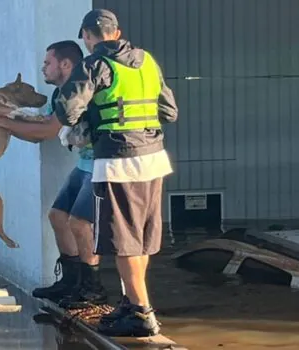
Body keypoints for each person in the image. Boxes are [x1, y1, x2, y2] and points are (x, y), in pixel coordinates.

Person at [52, 9, 178, 337]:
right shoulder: (147, 61)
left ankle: (141, 313)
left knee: (124, 242)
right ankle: (131, 301)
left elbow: (67, 111)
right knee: (140, 239)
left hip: (119, 163)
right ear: (117, 31)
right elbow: (169, 111)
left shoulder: (94, 64)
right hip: (154, 160)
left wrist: (90, 121)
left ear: (88, 36)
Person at [0, 40, 107, 308]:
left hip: (102, 164)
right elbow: (37, 126)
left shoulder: (80, 90)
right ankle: (70, 282)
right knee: (58, 217)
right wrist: (0, 117)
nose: (43, 68)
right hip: (84, 163)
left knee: (81, 224)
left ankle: (92, 290)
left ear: (66, 64)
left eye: (48, 63)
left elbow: (45, 131)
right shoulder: (60, 94)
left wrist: (0, 122)